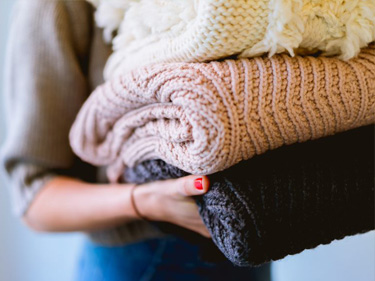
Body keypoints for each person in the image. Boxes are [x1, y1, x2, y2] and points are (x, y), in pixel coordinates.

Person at [1, 1, 271, 280]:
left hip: (251, 246)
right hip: (144, 260)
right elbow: (34, 199)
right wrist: (145, 201)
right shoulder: (53, 7)